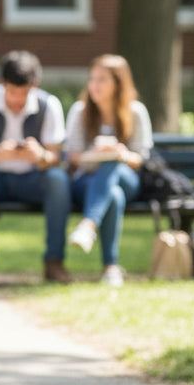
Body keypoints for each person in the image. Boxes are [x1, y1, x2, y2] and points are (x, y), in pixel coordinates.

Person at [0, 50, 70, 289]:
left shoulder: (49, 104)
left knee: (57, 179)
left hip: (32, 180)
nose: (18, 99)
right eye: (12, 92)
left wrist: (40, 156)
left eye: (25, 92)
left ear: (35, 85)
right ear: (1, 84)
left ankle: (54, 263)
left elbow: (55, 158)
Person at [65, 54, 152, 287]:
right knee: (112, 194)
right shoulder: (80, 111)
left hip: (127, 179)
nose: (94, 85)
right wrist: (95, 153)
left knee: (112, 163)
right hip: (87, 182)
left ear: (118, 84)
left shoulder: (135, 112)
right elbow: (71, 157)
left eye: (102, 79)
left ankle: (87, 226)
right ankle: (111, 267)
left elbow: (141, 159)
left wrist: (119, 152)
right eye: (92, 78)